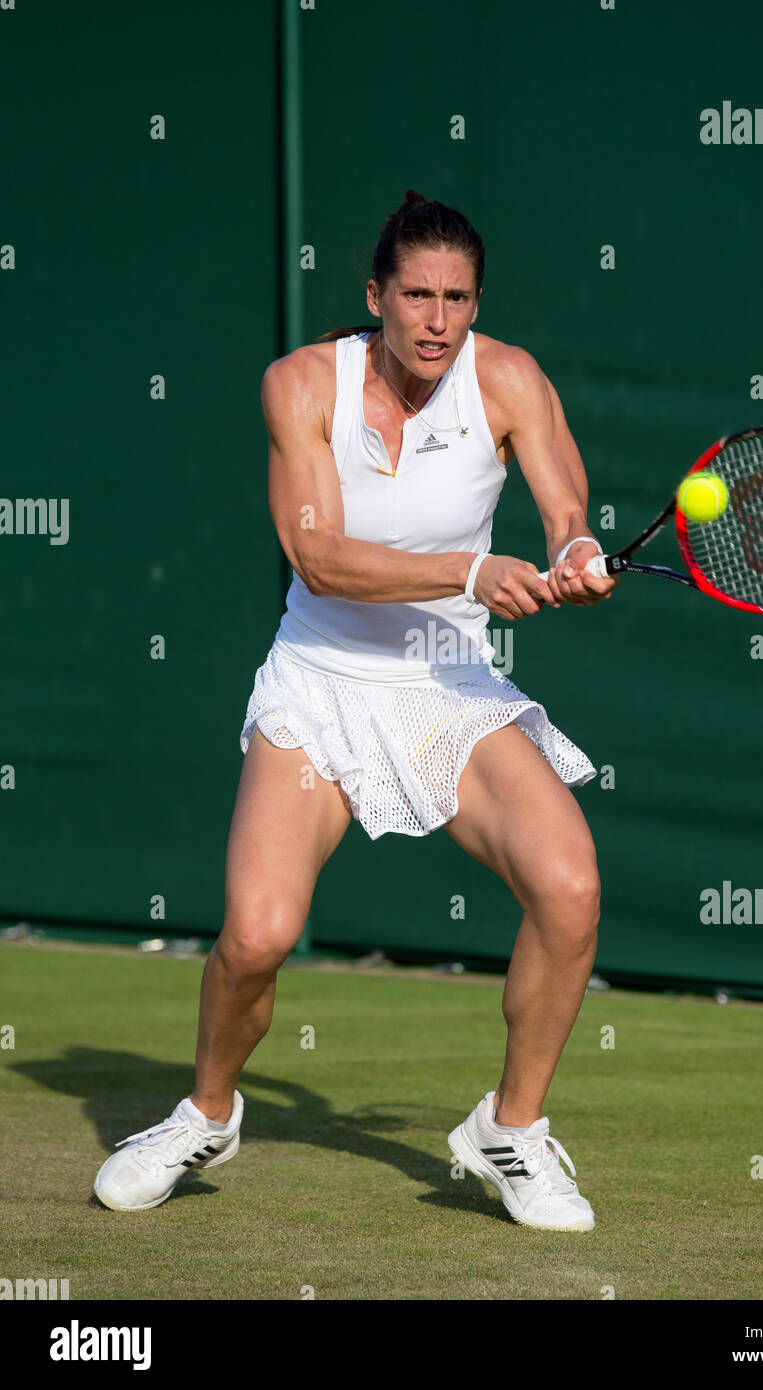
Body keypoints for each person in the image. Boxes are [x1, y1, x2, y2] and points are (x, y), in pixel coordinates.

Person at [93, 190, 618, 1231]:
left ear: (475, 305)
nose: (435, 319)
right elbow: (319, 557)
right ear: (373, 294)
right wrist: (471, 573)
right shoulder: (299, 386)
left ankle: (509, 1129)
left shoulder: (507, 378)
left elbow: (563, 508)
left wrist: (574, 554)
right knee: (256, 933)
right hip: (322, 684)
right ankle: (205, 1111)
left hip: (445, 689)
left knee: (568, 885)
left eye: (455, 298)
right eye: (415, 294)